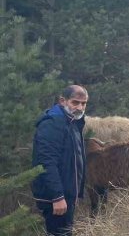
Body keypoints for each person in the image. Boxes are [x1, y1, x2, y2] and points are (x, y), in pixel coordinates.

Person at [31, 85, 88, 236]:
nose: (80, 107)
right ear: (63, 101)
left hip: (67, 194)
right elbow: (46, 162)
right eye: (75, 102)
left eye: (84, 103)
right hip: (55, 196)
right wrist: (57, 197)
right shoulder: (53, 123)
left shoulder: (72, 121)